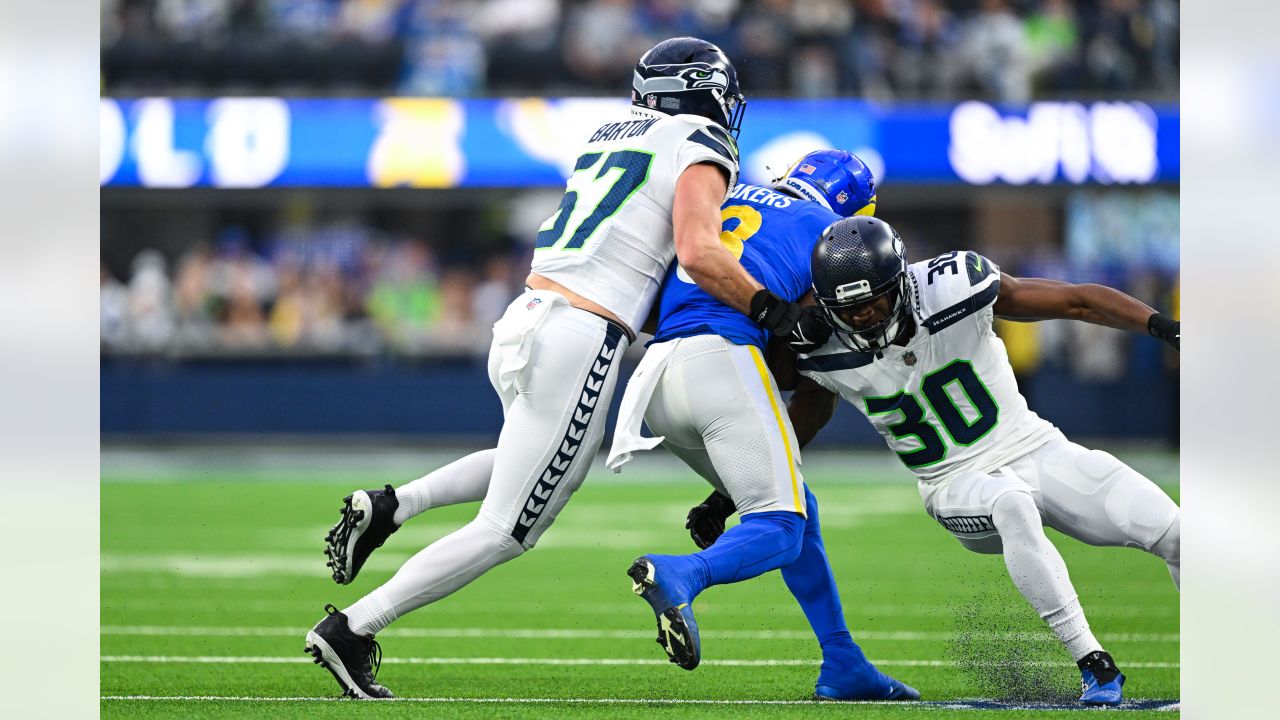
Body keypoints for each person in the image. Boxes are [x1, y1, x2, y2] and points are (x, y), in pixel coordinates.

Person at [303, 36, 831, 699]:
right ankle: (353, 628)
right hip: (580, 334)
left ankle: (393, 505)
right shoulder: (699, 136)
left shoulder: (608, 134)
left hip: (530, 312)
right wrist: (773, 310)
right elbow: (698, 252)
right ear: (697, 92)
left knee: (543, 457)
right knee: (508, 529)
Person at [689, 215, 1181, 707]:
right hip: (954, 484)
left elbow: (1078, 301)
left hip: (1035, 447)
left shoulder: (953, 287)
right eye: (848, 308)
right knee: (1010, 503)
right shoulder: (821, 349)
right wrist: (726, 495)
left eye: (872, 302)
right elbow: (803, 423)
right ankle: (1094, 665)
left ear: (900, 283)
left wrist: (1167, 328)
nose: (861, 318)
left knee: (1177, 534)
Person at [604, 150, 916, 701]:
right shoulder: (833, 239)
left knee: (798, 504)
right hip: (722, 360)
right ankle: (684, 575)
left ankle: (843, 660)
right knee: (782, 523)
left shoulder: (728, 194)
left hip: (653, 378)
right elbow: (814, 392)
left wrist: (725, 498)